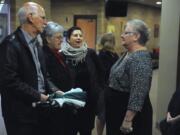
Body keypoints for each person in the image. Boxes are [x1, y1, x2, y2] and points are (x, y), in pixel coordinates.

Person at [0, 2, 51, 135]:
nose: (46, 22)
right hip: (19, 114)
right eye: (43, 17)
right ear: (30, 17)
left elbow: (42, 76)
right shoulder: (10, 44)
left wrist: (55, 91)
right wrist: (38, 96)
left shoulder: (37, 43)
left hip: (39, 111)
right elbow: (10, 81)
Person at [105, 19, 153, 135]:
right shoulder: (128, 53)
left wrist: (128, 120)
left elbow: (138, 92)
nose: (121, 36)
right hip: (117, 110)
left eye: (126, 33)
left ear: (136, 36)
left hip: (130, 115)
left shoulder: (140, 58)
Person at [61, 26, 104, 135]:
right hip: (70, 102)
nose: (78, 37)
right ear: (68, 38)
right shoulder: (62, 55)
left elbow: (101, 73)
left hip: (88, 102)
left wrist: (99, 91)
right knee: (69, 130)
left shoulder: (90, 53)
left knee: (86, 130)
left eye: (80, 35)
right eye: (75, 35)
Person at [42, 21, 75, 135]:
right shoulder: (43, 55)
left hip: (65, 101)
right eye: (58, 37)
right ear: (48, 39)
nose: (61, 40)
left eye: (62, 37)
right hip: (54, 104)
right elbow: (45, 78)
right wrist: (56, 90)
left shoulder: (59, 53)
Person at [96, 32, 119, 135]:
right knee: (102, 116)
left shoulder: (115, 55)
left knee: (110, 115)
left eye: (111, 41)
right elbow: (103, 72)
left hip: (113, 89)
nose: (109, 44)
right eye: (108, 41)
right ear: (103, 42)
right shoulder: (101, 55)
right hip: (103, 88)